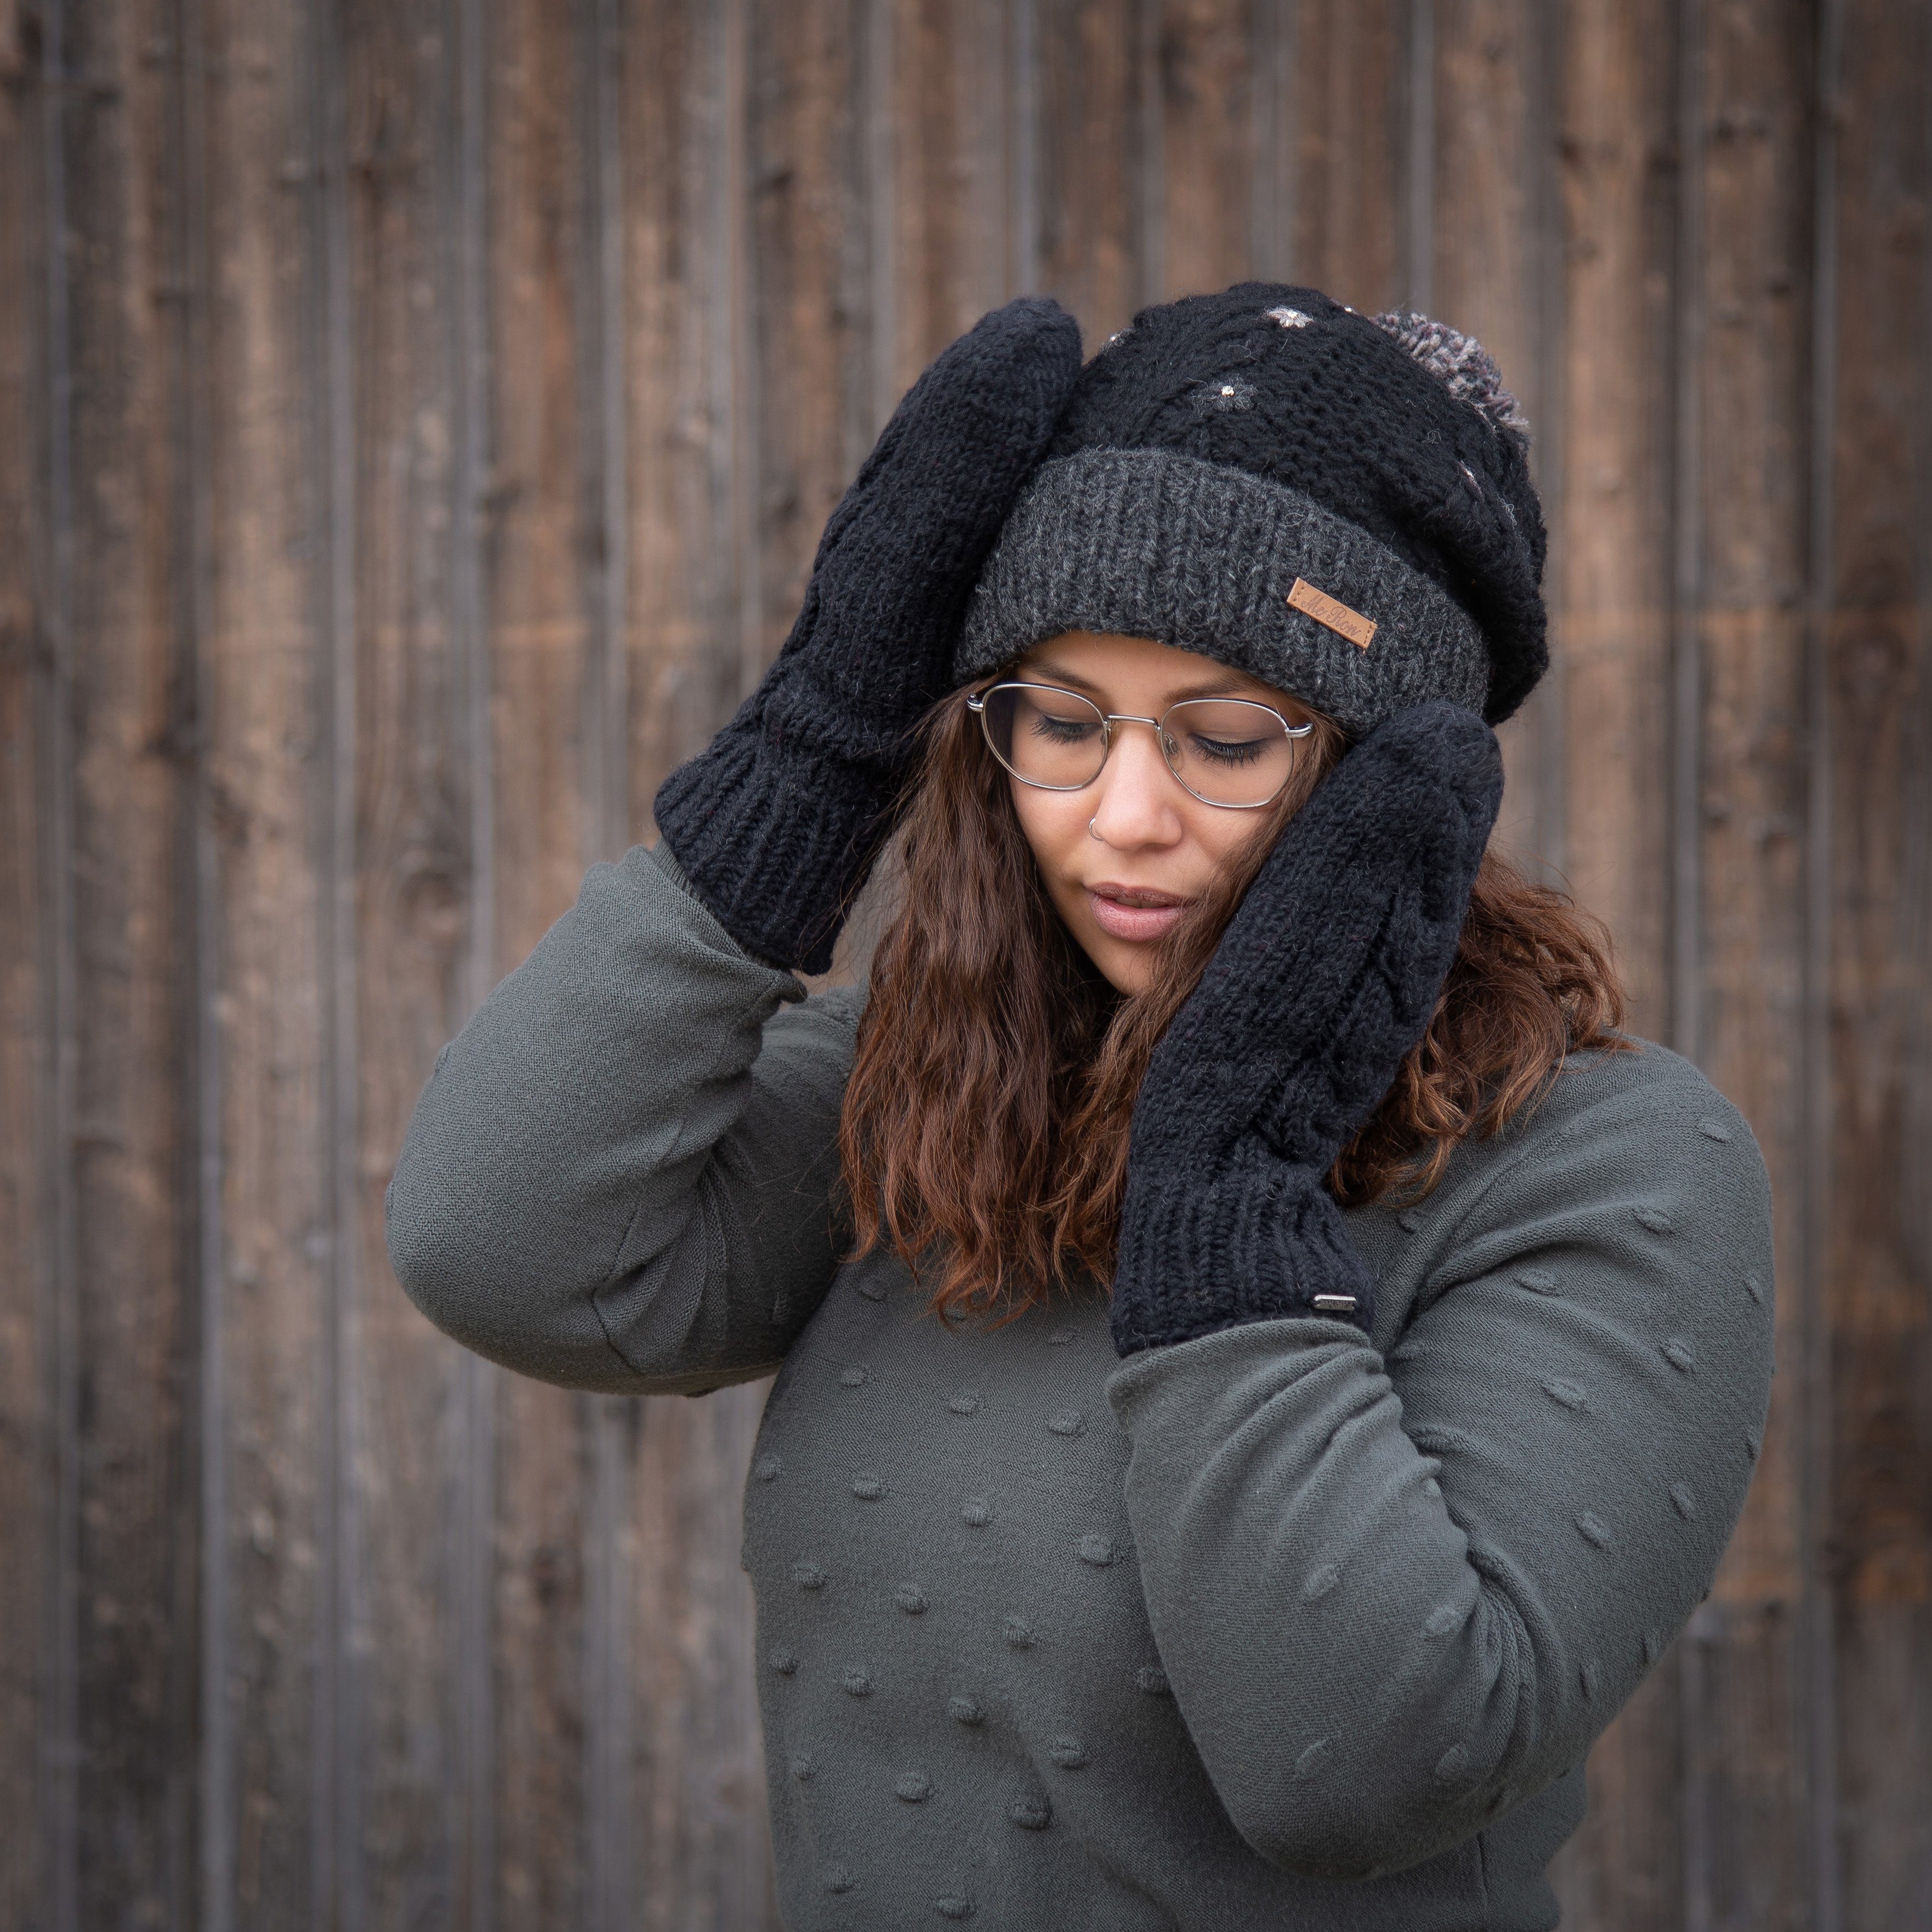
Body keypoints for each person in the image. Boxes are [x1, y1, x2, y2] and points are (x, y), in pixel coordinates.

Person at [386, 285, 1775, 1929]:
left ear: (1387, 768)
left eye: (1224, 738)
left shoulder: (1607, 1161)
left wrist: (1228, 1186)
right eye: (1060, 720)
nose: (1121, 818)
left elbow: (1367, 1763)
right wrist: (817, 753)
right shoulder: (944, 1077)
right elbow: (499, 1246)